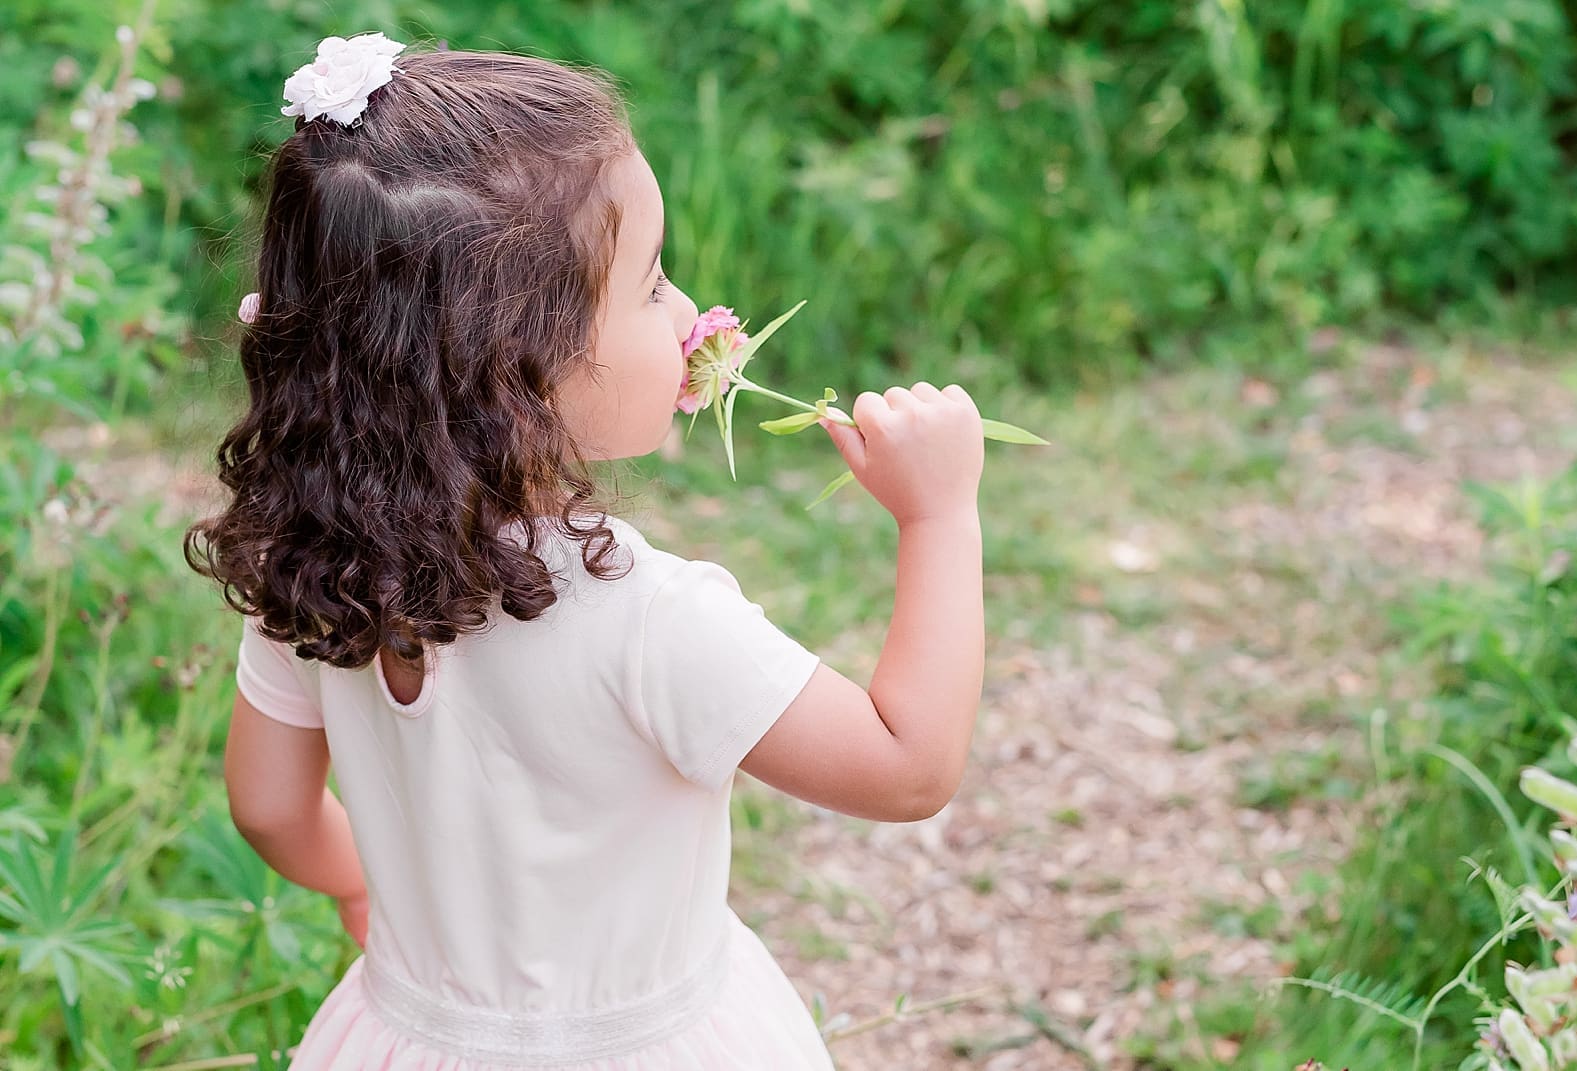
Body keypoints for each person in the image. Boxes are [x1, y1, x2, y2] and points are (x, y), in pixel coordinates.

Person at [186, 34, 985, 1070]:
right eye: (650, 285)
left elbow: (268, 807)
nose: (690, 314)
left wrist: (356, 886)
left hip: (409, 1036)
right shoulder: (650, 619)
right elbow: (906, 768)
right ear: (517, 373)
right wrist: (937, 520)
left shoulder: (318, 570)